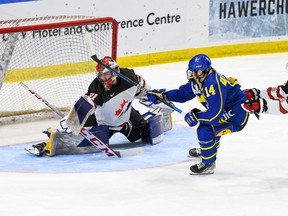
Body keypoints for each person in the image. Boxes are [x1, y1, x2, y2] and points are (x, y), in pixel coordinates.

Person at [26, 56, 172, 156]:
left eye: (106, 75)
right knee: (80, 142)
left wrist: (160, 101)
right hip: (102, 122)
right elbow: (87, 103)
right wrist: (72, 121)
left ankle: (163, 118)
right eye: (100, 75)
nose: (103, 78)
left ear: (116, 71)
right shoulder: (97, 87)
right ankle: (47, 144)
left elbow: (147, 93)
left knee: (148, 136)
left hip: (127, 118)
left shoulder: (131, 78)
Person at [147, 54, 249, 175]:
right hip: (224, 111)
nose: (194, 74)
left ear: (206, 70)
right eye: (192, 71)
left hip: (236, 114)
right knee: (210, 126)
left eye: (198, 71)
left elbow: (215, 116)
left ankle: (208, 163)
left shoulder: (213, 84)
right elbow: (183, 94)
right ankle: (209, 149)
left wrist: (196, 116)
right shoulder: (199, 79)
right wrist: (163, 95)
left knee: (205, 130)